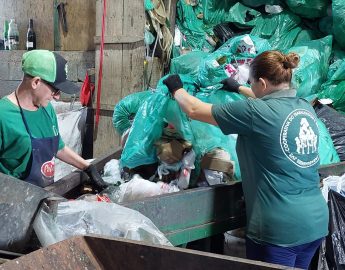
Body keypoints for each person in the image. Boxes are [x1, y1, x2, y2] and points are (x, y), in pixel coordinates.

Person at [163, 50, 328, 269]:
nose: (250, 87)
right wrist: (238, 87)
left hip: (279, 231)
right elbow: (271, 103)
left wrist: (177, 88)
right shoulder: (304, 106)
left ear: (261, 82)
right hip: (315, 223)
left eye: (251, 83)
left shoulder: (254, 112)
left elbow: (193, 109)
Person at [0, 49, 107, 191]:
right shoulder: (3, 115)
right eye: (55, 90)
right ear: (36, 82)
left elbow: (57, 146)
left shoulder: (47, 109)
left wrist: (88, 168)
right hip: (13, 203)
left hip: (43, 196)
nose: (57, 97)